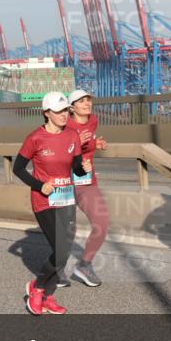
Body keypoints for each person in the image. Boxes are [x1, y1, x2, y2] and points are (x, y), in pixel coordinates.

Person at [13, 91, 91, 315]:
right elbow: (17, 168)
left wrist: (81, 168)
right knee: (60, 248)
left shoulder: (72, 136)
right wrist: (39, 185)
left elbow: (75, 167)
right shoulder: (35, 138)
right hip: (44, 200)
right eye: (58, 111)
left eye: (66, 110)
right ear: (46, 113)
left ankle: (47, 296)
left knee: (64, 252)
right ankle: (37, 288)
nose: (64, 115)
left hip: (66, 198)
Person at [64, 89, 108, 287]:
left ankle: (84, 265)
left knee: (101, 222)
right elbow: (57, 152)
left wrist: (95, 143)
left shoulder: (93, 120)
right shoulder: (65, 124)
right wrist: (73, 145)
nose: (87, 104)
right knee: (66, 230)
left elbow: (88, 142)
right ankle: (55, 270)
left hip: (86, 181)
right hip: (65, 181)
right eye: (81, 101)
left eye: (88, 100)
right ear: (72, 108)